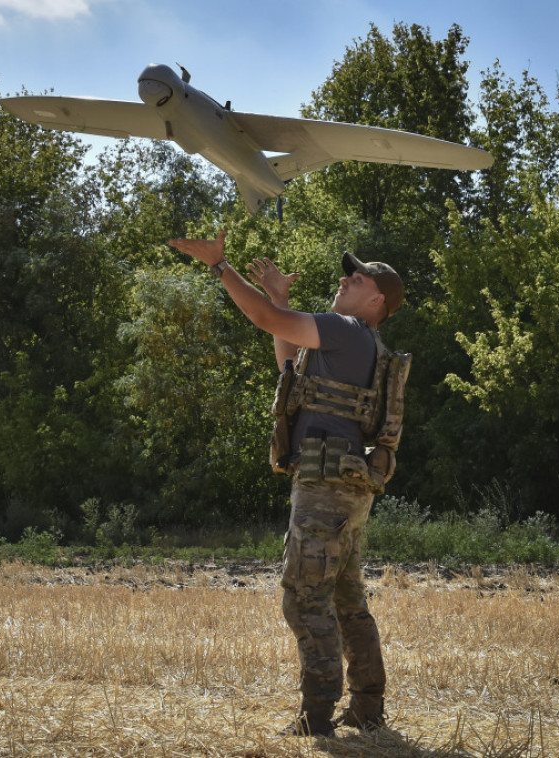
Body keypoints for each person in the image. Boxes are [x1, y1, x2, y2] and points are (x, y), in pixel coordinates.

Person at [168, 231, 405, 738]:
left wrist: (219, 266)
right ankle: (368, 708)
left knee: (304, 599)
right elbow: (288, 367)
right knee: (346, 601)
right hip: (345, 483)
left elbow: (264, 321)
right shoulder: (361, 344)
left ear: (376, 299)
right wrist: (280, 298)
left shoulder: (345, 329)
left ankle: (315, 718)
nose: (344, 279)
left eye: (356, 277)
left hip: (324, 486)